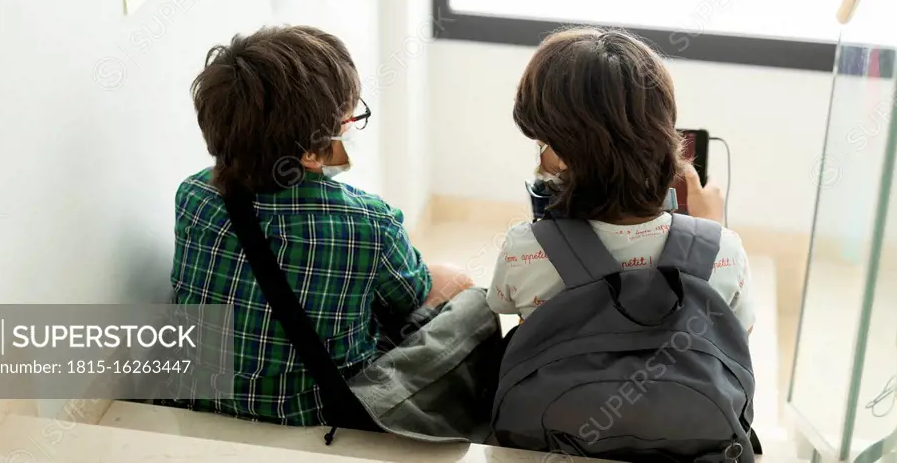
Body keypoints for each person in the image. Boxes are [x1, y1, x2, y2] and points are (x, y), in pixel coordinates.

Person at [171, 26, 472, 426]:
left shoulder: (193, 197)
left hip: (196, 404)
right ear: (313, 153)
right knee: (454, 279)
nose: (349, 128)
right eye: (348, 120)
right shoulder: (370, 222)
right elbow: (411, 298)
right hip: (313, 417)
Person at [486, 27, 755, 331]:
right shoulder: (725, 251)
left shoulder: (524, 249)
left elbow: (501, 303)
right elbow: (739, 332)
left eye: (541, 146)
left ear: (563, 155)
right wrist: (709, 233)